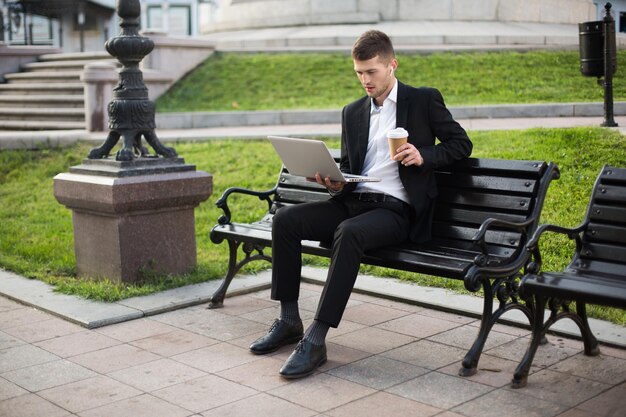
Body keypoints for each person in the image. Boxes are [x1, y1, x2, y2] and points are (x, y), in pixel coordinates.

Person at [249, 30, 473, 379]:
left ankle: (316, 339)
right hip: (354, 201)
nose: (365, 80)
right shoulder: (352, 112)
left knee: (349, 233)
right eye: (358, 73)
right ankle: (290, 320)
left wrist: (424, 154)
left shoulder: (423, 100)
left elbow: (461, 144)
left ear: (391, 65)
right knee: (286, 221)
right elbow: (352, 170)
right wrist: (335, 181)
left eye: (371, 72)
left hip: (396, 210)